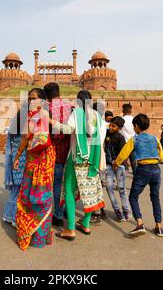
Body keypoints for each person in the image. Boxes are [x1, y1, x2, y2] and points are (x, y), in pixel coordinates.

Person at [49, 90, 107, 241]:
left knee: (68, 189)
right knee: (91, 192)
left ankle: (70, 229)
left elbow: (68, 130)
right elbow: (101, 141)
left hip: (76, 159)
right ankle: (86, 224)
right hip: (93, 161)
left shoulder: (77, 113)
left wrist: (51, 122)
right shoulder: (99, 118)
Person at [13, 88, 56, 251]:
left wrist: (17, 156)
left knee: (31, 195)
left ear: (42, 100)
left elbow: (25, 137)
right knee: (43, 195)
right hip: (44, 155)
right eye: (29, 99)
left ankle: (31, 234)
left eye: (34, 98)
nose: (31, 101)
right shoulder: (45, 114)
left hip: (40, 157)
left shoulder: (34, 115)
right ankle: (41, 237)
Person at [113, 114, 163, 237]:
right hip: (156, 170)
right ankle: (159, 226)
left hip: (143, 170)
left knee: (133, 197)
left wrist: (116, 163)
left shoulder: (134, 139)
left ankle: (140, 223)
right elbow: (161, 156)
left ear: (136, 126)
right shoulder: (154, 138)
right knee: (155, 197)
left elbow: (123, 154)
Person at [44, 82, 72, 228]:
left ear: (47, 96)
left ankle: (58, 215)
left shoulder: (46, 108)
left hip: (54, 151)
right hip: (70, 151)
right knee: (67, 184)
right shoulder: (71, 106)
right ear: (59, 92)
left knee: (56, 184)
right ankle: (68, 210)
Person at [3, 108, 28, 226]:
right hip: (23, 157)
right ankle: (15, 218)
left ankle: (8, 216)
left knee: (15, 189)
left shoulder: (15, 124)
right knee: (21, 189)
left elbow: (10, 142)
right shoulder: (27, 124)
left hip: (15, 156)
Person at [105, 116, 131, 222]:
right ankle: (117, 210)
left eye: (114, 126)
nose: (111, 127)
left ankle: (126, 210)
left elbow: (123, 154)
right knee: (108, 187)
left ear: (119, 128)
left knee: (121, 188)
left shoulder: (120, 138)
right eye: (110, 125)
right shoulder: (106, 134)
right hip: (108, 165)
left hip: (119, 165)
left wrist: (116, 162)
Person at [120, 104, 137, 174]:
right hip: (133, 141)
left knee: (123, 159)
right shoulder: (134, 119)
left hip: (124, 142)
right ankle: (135, 173)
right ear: (130, 110)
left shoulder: (122, 120)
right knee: (133, 160)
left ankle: (122, 172)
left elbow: (120, 131)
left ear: (123, 110)